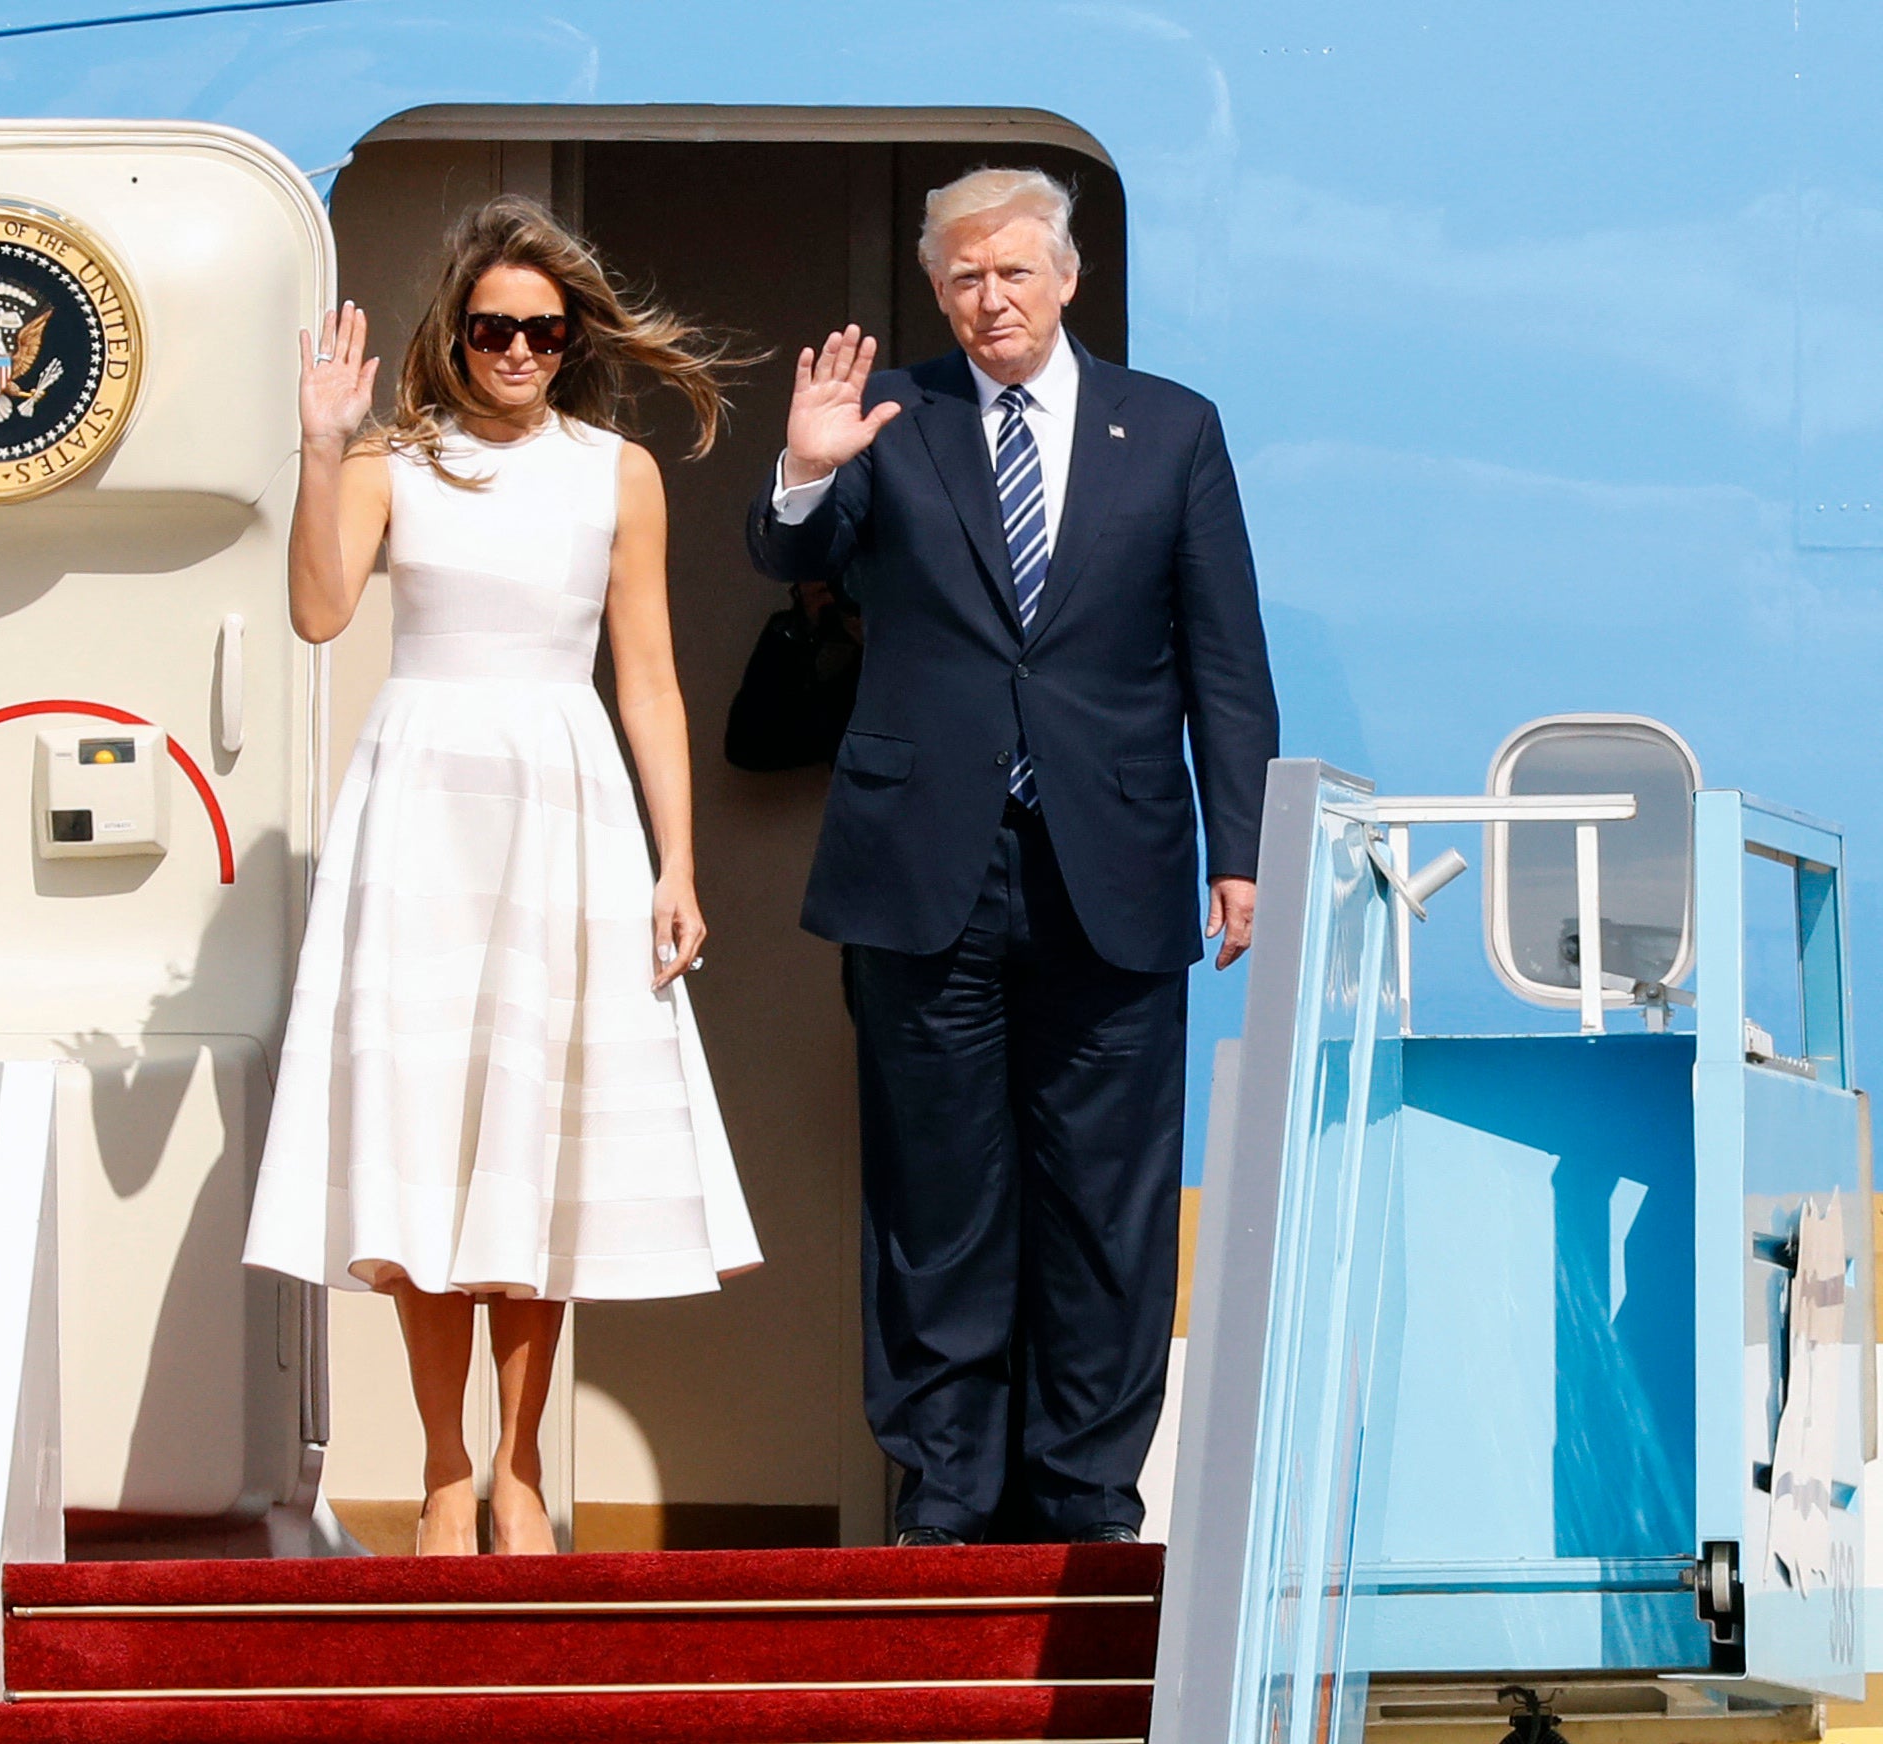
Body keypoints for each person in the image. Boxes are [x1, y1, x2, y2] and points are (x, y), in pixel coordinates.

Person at [746, 168, 1277, 1546]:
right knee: (938, 1202)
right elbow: (784, 549)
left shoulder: (1169, 431)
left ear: (1069, 276)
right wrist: (808, 466)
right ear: (937, 291)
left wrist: (1246, 852)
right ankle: (949, 1496)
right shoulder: (896, 418)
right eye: (965, 278)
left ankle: (1087, 1500)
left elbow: (1225, 658)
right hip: (924, 869)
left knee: (1110, 1204)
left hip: (1113, 865)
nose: (992, 299)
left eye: (1015, 272)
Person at [245, 196, 762, 1557]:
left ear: (571, 337)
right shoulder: (389, 463)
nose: (519, 350)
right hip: (421, 806)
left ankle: (522, 1471)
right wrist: (315, 451)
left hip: (565, 801)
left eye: (544, 329)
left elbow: (647, 677)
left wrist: (678, 861)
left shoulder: (617, 473)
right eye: (494, 329)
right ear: (456, 337)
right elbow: (314, 613)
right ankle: (439, 1471)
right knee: (428, 1148)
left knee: (534, 1144)